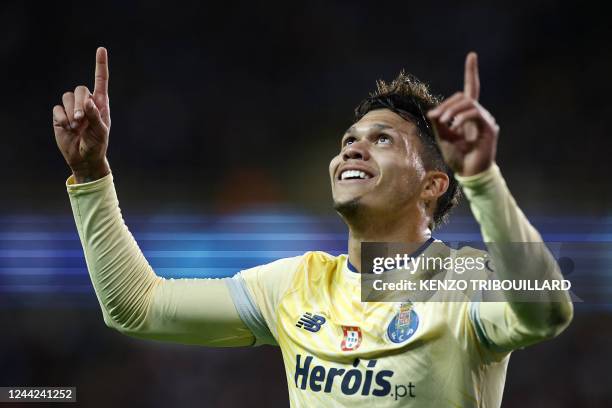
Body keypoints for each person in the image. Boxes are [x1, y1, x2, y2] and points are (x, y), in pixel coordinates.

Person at [52, 47, 573, 407]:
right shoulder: (295, 284)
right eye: (350, 138)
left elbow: (548, 309)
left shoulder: (460, 280)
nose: (353, 146)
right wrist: (91, 174)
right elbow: (136, 307)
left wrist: (481, 177)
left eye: (383, 139)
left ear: (432, 185)